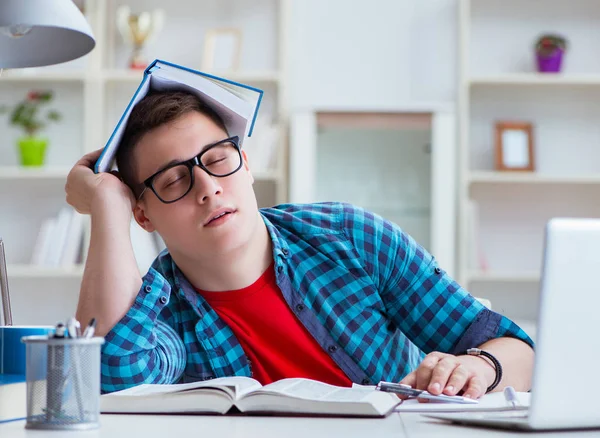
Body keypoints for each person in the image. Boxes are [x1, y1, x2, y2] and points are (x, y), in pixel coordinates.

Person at [66, 90, 534, 397]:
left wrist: (483, 368)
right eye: (174, 180)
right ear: (143, 213)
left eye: (218, 160)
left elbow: (519, 351)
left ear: (246, 164)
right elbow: (107, 381)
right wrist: (108, 204)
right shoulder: (161, 309)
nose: (208, 188)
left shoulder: (350, 237)